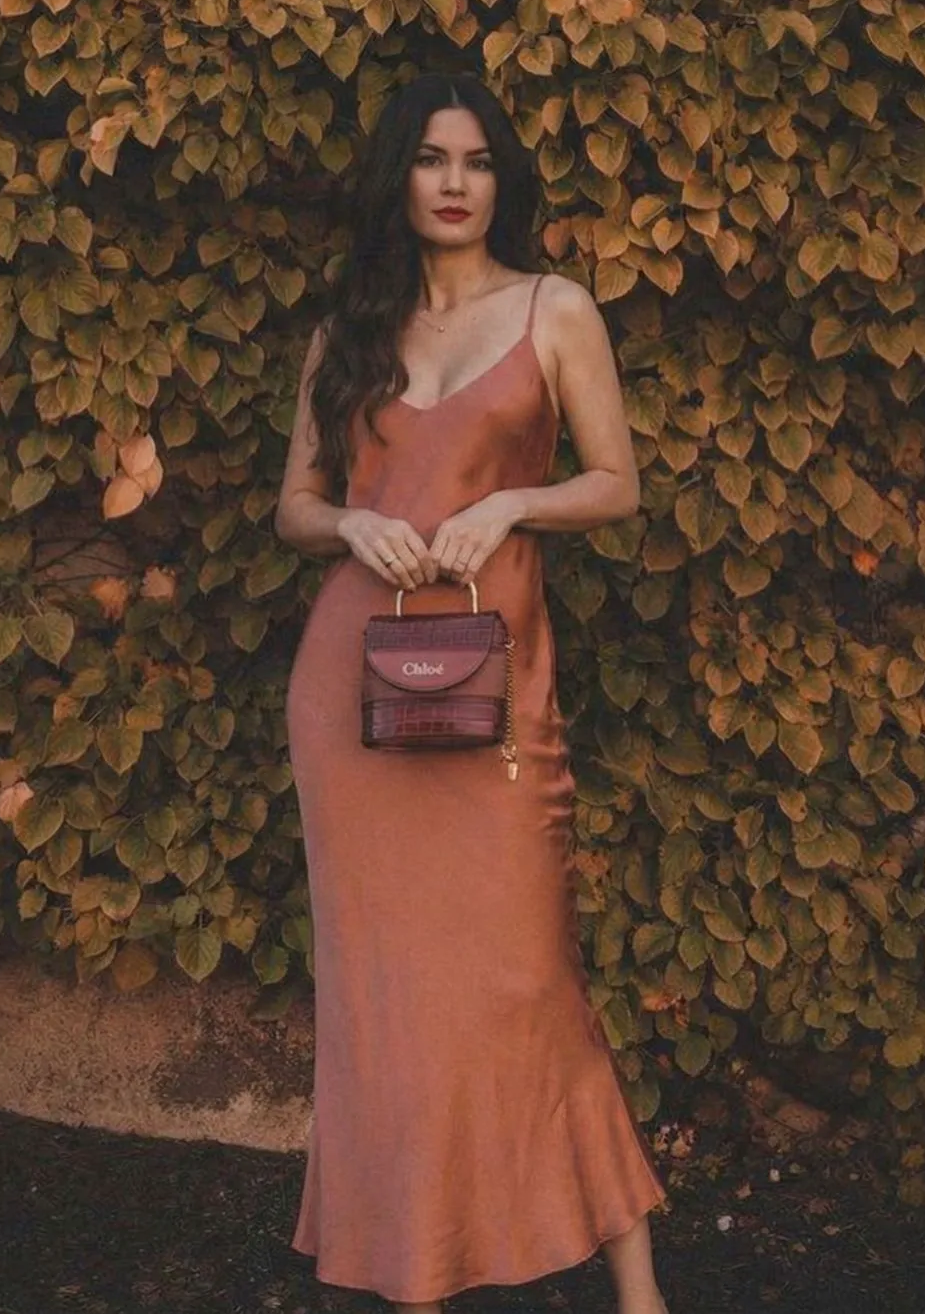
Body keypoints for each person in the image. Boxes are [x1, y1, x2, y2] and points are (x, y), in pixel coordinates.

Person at [275, 70, 672, 1314]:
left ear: (503, 180)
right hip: (355, 695)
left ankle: (637, 1287)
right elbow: (289, 506)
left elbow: (618, 484)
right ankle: (417, 1273)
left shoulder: (557, 309)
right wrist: (349, 523)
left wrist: (511, 501)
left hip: (501, 687)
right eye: (433, 159)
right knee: (383, 999)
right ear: (401, 176)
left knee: (527, 978)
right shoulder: (347, 328)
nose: (454, 183)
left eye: (478, 161)